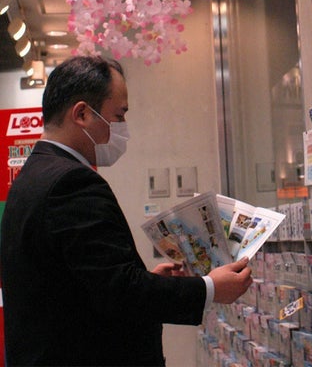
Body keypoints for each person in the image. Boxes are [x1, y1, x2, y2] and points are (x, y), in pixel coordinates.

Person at [0, 55, 253, 366]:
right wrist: (210, 288)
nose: (122, 129)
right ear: (82, 113)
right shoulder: (71, 182)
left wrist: (145, 280)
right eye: (119, 116)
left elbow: (89, 283)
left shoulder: (34, 175)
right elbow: (120, 292)